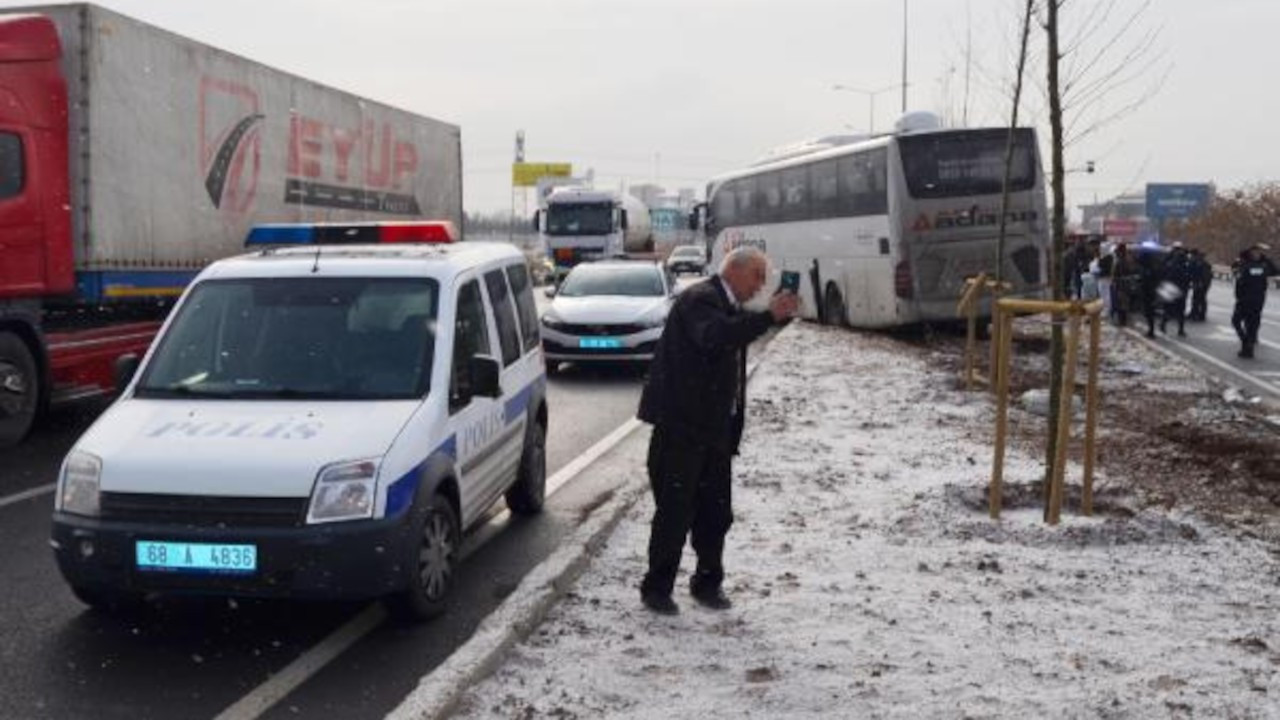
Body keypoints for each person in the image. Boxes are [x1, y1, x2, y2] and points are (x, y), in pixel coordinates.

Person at [636, 246, 799, 615]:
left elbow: (731, 334)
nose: (760, 286)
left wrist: (769, 317)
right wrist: (767, 317)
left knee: (716, 512)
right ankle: (657, 588)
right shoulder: (701, 299)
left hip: (713, 429)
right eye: (757, 276)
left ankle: (708, 583)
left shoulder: (726, 305)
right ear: (736, 271)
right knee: (675, 511)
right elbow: (716, 336)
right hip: (682, 426)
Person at [1231, 242, 1280, 359]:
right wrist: (1266, 259)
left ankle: (1246, 344)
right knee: (1252, 324)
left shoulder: (1245, 266)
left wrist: (1239, 298)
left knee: (1237, 321)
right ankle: (1249, 348)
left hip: (1245, 300)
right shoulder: (1263, 267)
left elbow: (1238, 280)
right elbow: (1276, 271)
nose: (1257, 254)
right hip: (1258, 300)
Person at [1159, 242, 1194, 337]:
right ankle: (1179, 329)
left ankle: (1165, 325)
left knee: (1170, 309)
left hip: (1172, 287)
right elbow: (1188, 274)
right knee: (1179, 310)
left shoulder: (1169, 259)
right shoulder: (1181, 259)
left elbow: (1163, 271)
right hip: (1178, 287)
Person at [1188, 248, 1212, 322]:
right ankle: (1195, 313)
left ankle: (1200, 315)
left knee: (1199, 299)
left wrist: (1200, 283)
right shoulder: (1199, 262)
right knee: (1197, 298)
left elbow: (1204, 276)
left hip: (1202, 284)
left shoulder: (1202, 264)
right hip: (1200, 283)